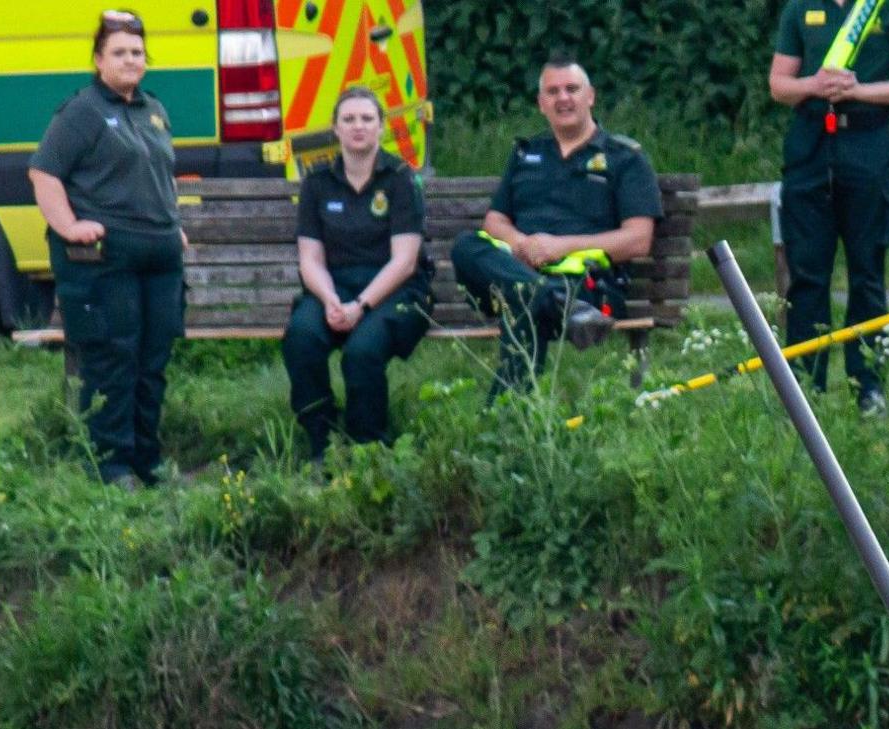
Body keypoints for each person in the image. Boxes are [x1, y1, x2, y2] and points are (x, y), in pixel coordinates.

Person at [28, 9, 184, 488]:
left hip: (160, 258)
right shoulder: (83, 111)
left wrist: (171, 222)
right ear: (98, 60)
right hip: (106, 259)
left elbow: (159, 175)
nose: (130, 60)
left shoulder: (153, 110)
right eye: (119, 52)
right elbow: (44, 172)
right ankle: (111, 465)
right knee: (114, 359)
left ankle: (147, 460)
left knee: (152, 361)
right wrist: (69, 224)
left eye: (137, 52)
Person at [449, 55, 661, 398]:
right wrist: (521, 244)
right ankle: (549, 300)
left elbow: (638, 239)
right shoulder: (526, 154)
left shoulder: (625, 158)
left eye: (572, 89)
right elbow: (495, 221)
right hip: (524, 272)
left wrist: (560, 247)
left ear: (589, 96)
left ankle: (505, 423)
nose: (563, 98)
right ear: (541, 103)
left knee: (521, 300)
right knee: (466, 246)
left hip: (586, 287)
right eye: (553, 91)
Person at [769, 0, 889, 417]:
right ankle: (805, 389)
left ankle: (868, 385)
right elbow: (779, 85)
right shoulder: (800, 9)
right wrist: (813, 86)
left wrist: (859, 90)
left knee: (867, 270)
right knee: (806, 274)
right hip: (810, 147)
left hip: (868, 144)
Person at [283, 86, 430, 460]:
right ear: (335, 128)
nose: (358, 126)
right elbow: (310, 259)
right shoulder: (317, 183)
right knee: (301, 337)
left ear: (381, 127)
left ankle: (368, 451)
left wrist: (360, 307)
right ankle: (324, 444)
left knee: (361, 352)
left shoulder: (399, 178)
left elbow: (405, 261)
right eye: (348, 119)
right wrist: (331, 300)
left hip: (394, 290)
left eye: (367, 118)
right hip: (335, 286)